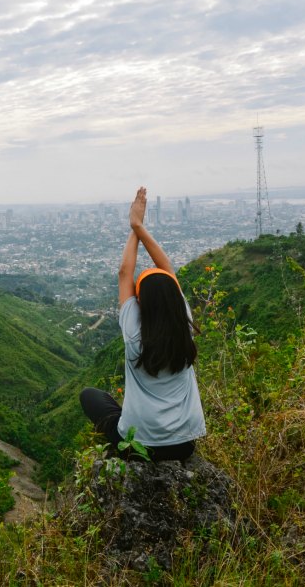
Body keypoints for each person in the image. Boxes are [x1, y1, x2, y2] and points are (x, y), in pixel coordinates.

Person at [80, 187, 206, 461]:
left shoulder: (135, 334)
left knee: (90, 396)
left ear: (142, 302)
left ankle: (124, 441)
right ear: (175, 297)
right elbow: (168, 270)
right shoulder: (183, 326)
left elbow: (125, 272)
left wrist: (134, 227)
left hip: (140, 446)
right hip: (185, 444)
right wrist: (140, 226)